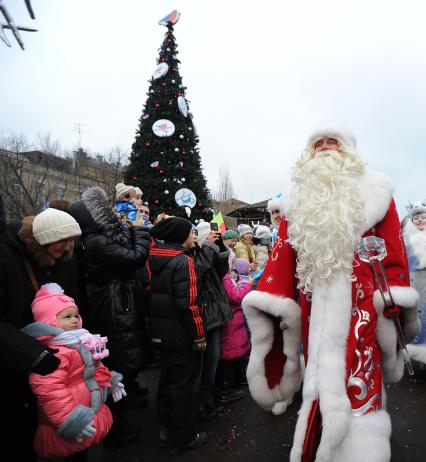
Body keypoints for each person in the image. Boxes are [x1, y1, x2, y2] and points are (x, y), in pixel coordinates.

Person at [242, 125, 420, 462]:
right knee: (319, 374)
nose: (324, 148)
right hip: (312, 308)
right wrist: (272, 299)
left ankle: (362, 450)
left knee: (360, 376)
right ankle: (319, 442)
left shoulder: (378, 191)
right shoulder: (298, 198)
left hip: (363, 308)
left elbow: (394, 254)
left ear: (348, 150)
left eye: (332, 141)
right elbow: (283, 257)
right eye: (318, 143)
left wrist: (392, 298)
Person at [68, 186, 151, 448]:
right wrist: (139, 230)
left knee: (122, 362)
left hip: (118, 302)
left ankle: (122, 416)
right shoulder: (96, 241)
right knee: (116, 363)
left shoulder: (99, 239)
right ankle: (117, 429)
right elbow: (135, 257)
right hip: (113, 306)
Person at [0, 204, 82, 461]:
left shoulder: (63, 261)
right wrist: (35, 354)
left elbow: (73, 305)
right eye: (61, 240)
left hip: (55, 360)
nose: (67, 247)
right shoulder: (6, 258)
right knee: (20, 438)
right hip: (17, 368)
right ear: (42, 240)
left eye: (71, 240)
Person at [22, 283, 126, 460]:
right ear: (50, 322)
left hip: (87, 413)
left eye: (76, 315)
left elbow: (95, 369)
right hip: (70, 421)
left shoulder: (79, 341)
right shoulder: (54, 353)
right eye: (67, 316)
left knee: (84, 454)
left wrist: (111, 380)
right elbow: (49, 390)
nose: (74, 320)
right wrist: (69, 419)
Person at [148, 217, 208, 455]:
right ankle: (183, 437)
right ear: (180, 236)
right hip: (181, 336)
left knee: (167, 383)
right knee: (183, 386)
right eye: (191, 232)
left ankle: (166, 429)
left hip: (162, 334)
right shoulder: (183, 261)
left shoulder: (154, 257)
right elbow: (189, 305)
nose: (194, 236)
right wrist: (199, 336)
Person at [194, 220, 233, 420]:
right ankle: (202, 405)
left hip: (214, 315)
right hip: (202, 316)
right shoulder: (193, 255)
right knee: (203, 367)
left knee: (213, 361)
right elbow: (197, 273)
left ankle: (210, 401)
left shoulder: (207, 251)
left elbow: (220, 271)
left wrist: (219, 248)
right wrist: (208, 247)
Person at [216, 261, 255, 403]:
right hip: (231, 320)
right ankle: (226, 391)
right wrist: (249, 283)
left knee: (233, 353)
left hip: (232, 320)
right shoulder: (224, 277)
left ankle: (233, 382)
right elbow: (236, 296)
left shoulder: (223, 276)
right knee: (230, 355)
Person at [404, 201, 426, 365]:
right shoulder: (406, 241)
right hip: (415, 285)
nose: (420, 220)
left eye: (423, 217)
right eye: (416, 218)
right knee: (419, 317)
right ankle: (419, 354)